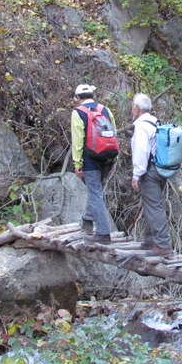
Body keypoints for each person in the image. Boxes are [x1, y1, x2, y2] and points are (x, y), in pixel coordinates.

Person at [71, 84, 117, 244]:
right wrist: (114, 158)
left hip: (90, 159)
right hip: (107, 156)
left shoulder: (78, 112)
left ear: (77, 98)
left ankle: (104, 233)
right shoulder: (105, 110)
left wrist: (77, 162)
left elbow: (78, 139)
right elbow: (114, 133)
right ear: (92, 95)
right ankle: (87, 220)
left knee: (95, 194)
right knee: (97, 190)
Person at [130, 93, 173, 258]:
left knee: (154, 206)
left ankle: (163, 245)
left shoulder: (141, 126)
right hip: (161, 169)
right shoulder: (156, 122)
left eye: (133, 105)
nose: (132, 108)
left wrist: (136, 174)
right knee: (151, 204)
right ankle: (149, 240)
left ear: (137, 108)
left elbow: (141, 151)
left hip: (150, 171)